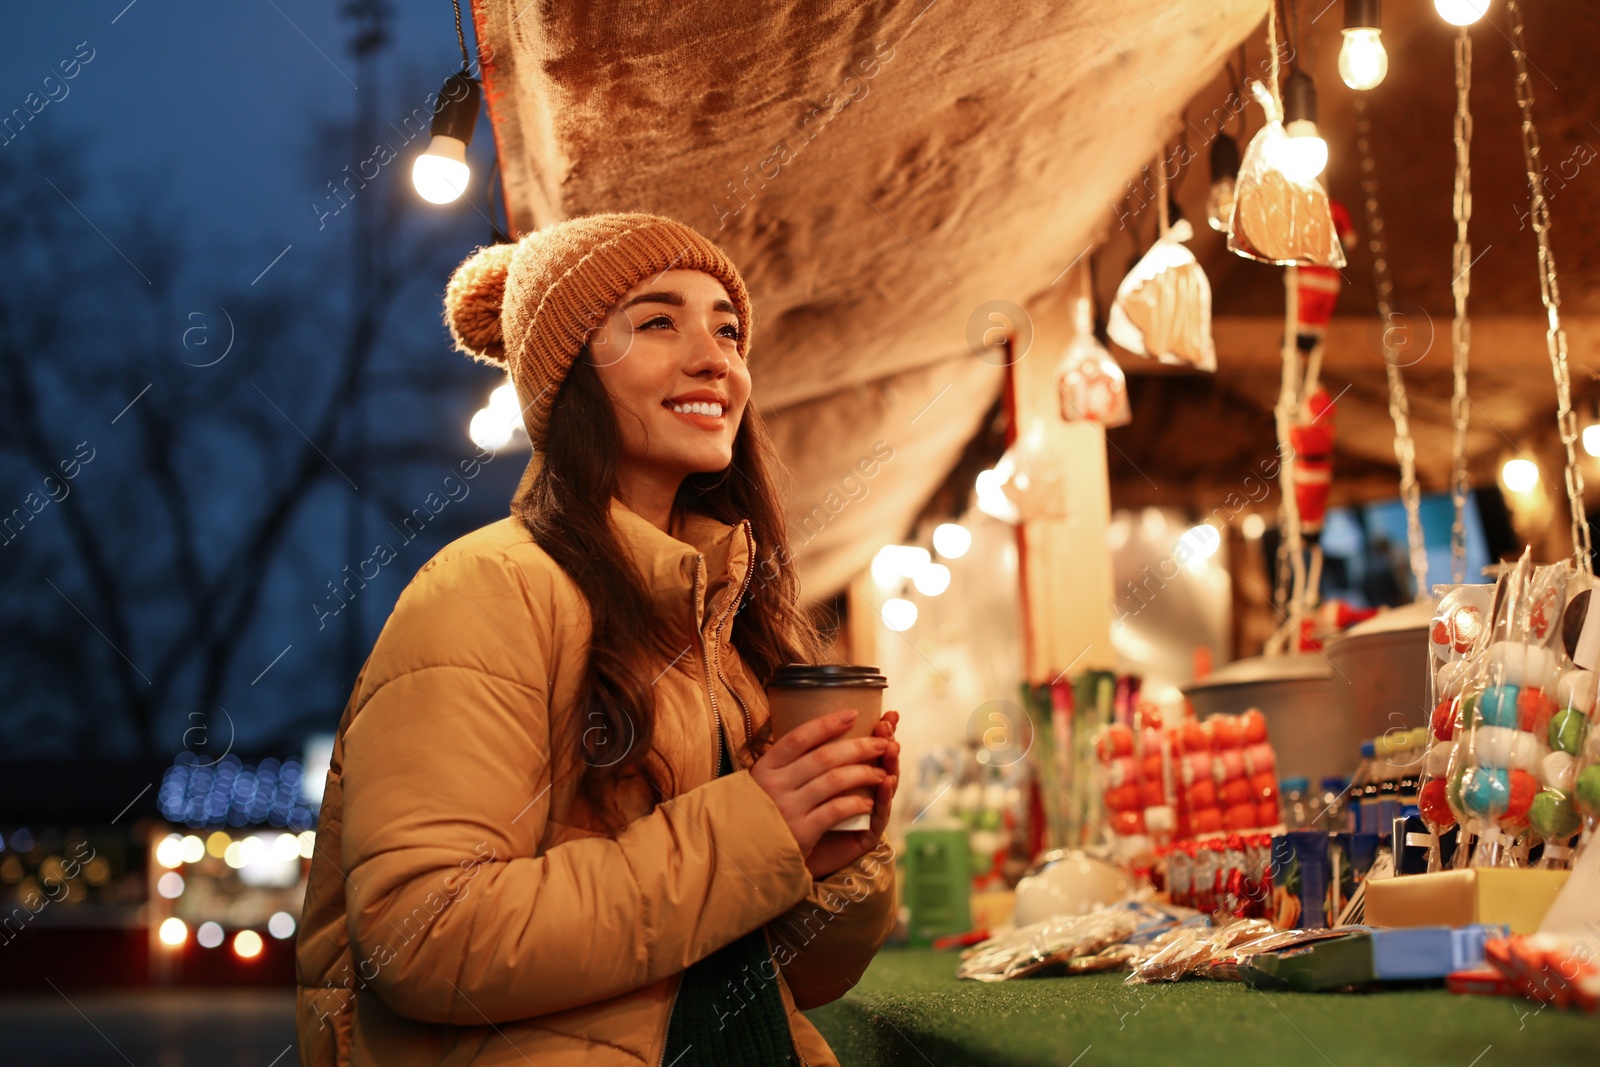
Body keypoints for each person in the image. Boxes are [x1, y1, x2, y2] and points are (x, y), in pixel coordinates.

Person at [295, 213, 901, 1067]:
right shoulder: (487, 588)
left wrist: (828, 858)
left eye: (728, 330)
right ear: (567, 374)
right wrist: (755, 829)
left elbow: (794, 979)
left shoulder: (723, 618)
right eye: (658, 321)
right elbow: (420, 938)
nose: (715, 357)